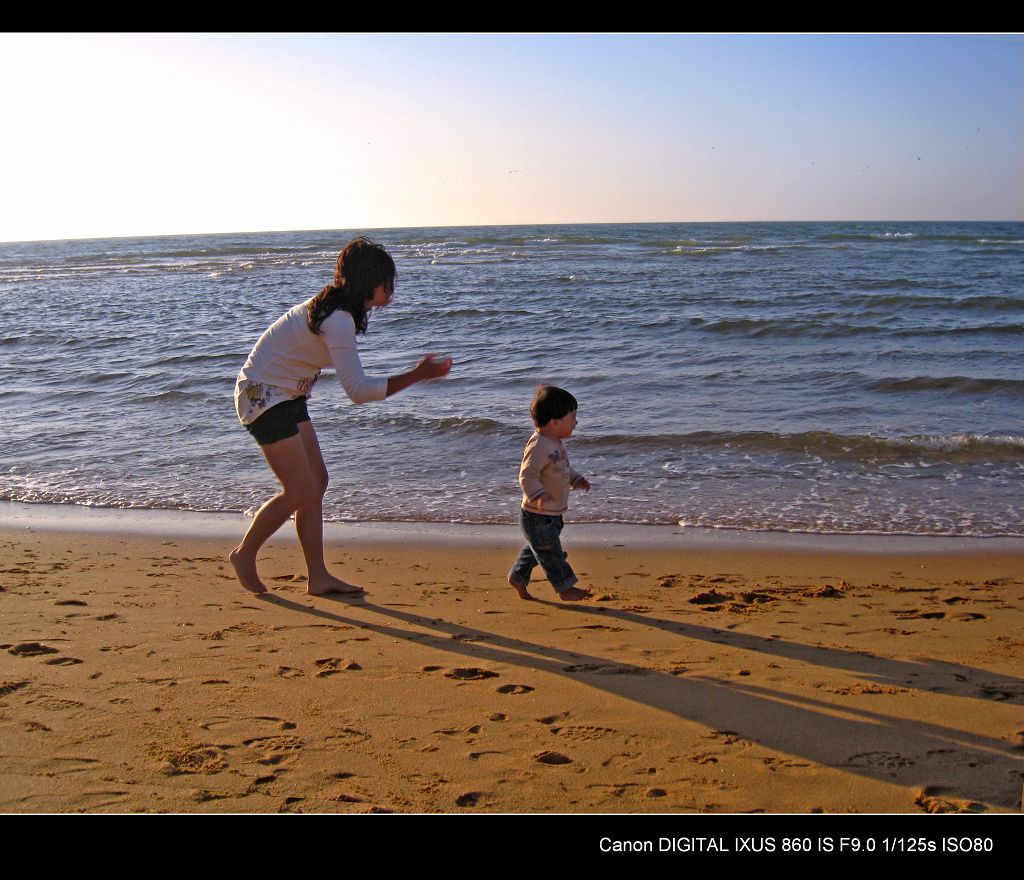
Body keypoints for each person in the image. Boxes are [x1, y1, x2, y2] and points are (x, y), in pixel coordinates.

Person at [230, 237, 451, 595]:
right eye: (387, 283)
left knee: (316, 483)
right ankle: (244, 553)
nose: (391, 291)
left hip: (285, 394)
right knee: (301, 489)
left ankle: (318, 577)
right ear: (369, 282)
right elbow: (359, 391)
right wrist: (417, 374)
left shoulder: (338, 311)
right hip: (262, 395)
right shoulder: (338, 319)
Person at [507, 385, 592, 602]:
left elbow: (561, 469)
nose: (576, 422)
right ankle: (566, 588)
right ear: (555, 422)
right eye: (572, 417)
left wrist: (575, 479)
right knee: (552, 554)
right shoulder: (539, 447)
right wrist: (538, 494)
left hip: (552, 515)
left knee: (539, 550)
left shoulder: (556, 444)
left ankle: (518, 576)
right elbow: (526, 475)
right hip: (537, 515)